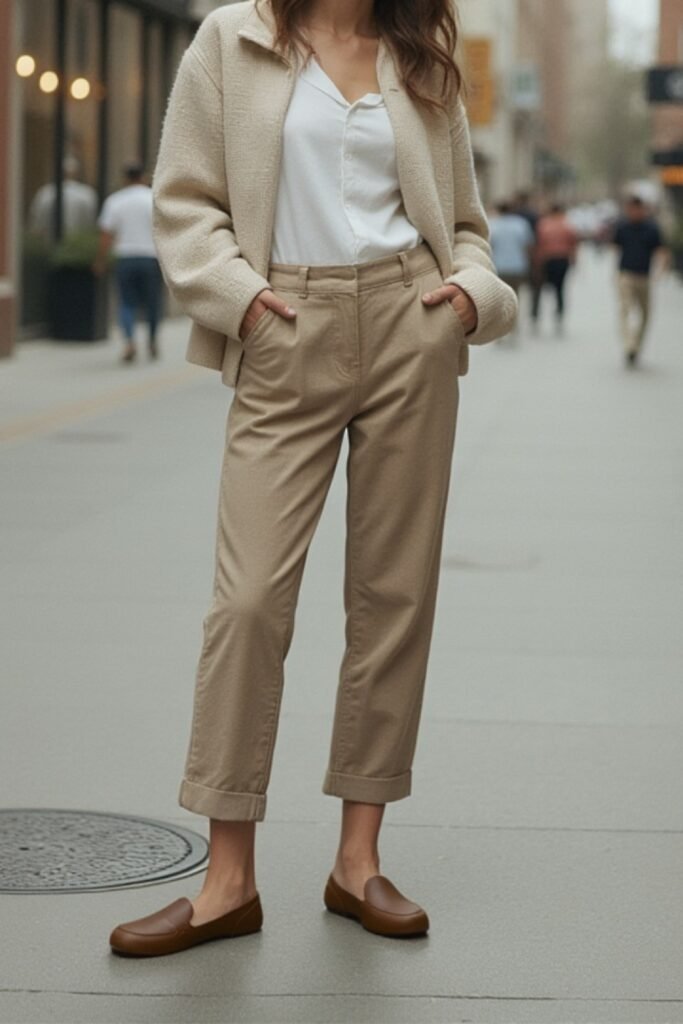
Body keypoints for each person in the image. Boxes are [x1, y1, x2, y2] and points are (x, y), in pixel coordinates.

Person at [108, 0, 516, 957]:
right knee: (247, 602)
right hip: (285, 320)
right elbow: (186, 200)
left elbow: (464, 222)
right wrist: (244, 303)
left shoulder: (422, 55)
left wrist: (466, 297)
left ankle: (357, 862)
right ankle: (227, 880)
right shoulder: (231, 40)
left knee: (392, 597)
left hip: (410, 321)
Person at [93, 163, 163, 363]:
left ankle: (130, 341)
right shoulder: (153, 199)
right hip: (150, 257)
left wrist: (100, 260)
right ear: (143, 177)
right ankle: (152, 340)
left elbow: (106, 234)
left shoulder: (115, 201)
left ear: (125, 178)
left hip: (125, 257)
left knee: (126, 301)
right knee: (153, 303)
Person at [612, 196, 667, 367]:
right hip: (625, 275)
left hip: (644, 276)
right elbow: (615, 247)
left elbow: (661, 250)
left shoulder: (651, 228)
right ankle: (629, 345)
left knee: (645, 313)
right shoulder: (622, 227)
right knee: (625, 309)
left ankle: (636, 344)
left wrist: (660, 271)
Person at [531, 203, 578, 334]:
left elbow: (538, 244)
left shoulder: (543, 225)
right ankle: (559, 315)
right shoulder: (567, 225)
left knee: (539, 289)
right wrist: (574, 261)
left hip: (547, 260)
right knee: (560, 289)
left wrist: (536, 262)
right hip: (562, 260)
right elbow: (573, 245)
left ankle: (536, 316)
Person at [489, 200, 534, 334]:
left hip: (499, 267)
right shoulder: (520, 224)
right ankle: (513, 326)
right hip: (517, 266)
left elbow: (489, 246)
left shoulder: (493, 225)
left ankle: (500, 330)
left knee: (499, 300)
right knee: (515, 297)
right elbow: (528, 245)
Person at [28, 155, 97, 241]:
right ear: (77, 173)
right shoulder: (87, 194)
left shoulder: (46, 192)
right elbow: (91, 222)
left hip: (50, 243)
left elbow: (37, 223)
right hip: (78, 244)